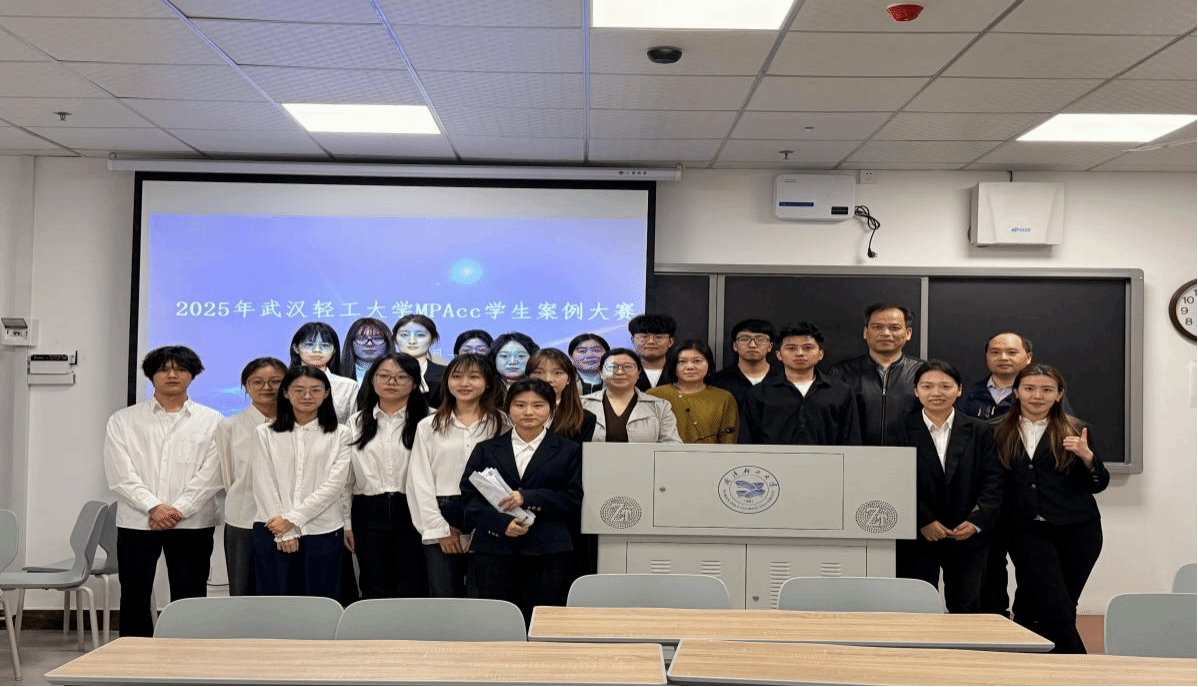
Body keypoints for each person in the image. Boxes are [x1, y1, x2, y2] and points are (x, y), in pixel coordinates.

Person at [103, 345, 223, 637]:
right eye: (164, 369)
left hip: (192, 523)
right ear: (151, 375)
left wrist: (177, 510)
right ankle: (135, 655)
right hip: (138, 521)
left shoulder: (213, 421)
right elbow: (120, 474)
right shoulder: (123, 420)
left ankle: (187, 655)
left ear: (192, 375)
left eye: (180, 369)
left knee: (190, 595)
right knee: (134, 594)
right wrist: (154, 507)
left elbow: (212, 475)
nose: (172, 375)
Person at [995, 364, 1108, 654]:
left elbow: (1098, 484)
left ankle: (1033, 661)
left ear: (1059, 395)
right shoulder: (996, 430)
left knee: (1055, 601)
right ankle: (1079, 665)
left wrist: (1087, 458)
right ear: (1016, 392)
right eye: (1029, 388)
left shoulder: (1076, 429)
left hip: (1079, 530)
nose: (1037, 396)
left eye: (1047, 390)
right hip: (1025, 530)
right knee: (1054, 602)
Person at [460, 377, 583, 625]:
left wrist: (528, 496)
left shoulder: (569, 450)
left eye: (538, 405)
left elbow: (573, 498)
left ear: (551, 408)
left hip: (548, 550)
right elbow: (470, 497)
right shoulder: (487, 449)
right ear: (508, 408)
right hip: (494, 549)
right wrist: (501, 524)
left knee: (544, 620)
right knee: (497, 621)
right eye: (520, 405)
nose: (528, 412)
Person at [888, 360, 1003, 613]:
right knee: (915, 608)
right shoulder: (897, 430)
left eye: (945, 386)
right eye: (927, 386)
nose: (936, 393)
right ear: (916, 391)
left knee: (966, 608)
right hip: (917, 536)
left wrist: (976, 522)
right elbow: (894, 482)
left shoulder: (980, 430)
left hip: (967, 535)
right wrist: (923, 521)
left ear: (959, 390)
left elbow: (993, 480)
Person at [406, 354, 508, 597]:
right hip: (443, 511)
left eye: (474, 377)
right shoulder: (429, 425)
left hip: (489, 512)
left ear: (488, 383)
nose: (464, 383)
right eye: (457, 376)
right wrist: (440, 529)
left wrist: (493, 521)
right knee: (445, 594)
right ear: (447, 382)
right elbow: (419, 481)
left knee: (484, 594)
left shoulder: (502, 423)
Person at [251, 366, 353, 598]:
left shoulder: (341, 434)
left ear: (326, 393)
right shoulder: (264, 432)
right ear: (286, 392)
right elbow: (263, 482)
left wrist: (292, 519)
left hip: (323, 529)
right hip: (272, 528)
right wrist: (284, 531)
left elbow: (334, 485)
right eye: (299, 390)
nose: (307, 396)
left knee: (321, 602)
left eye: (315, 390)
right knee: (276, 602)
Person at [342, 353, 430, 599]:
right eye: (384, 375)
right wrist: (347, 522)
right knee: (374, 585)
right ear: (372, 380)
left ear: (415, 383)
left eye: (401, 377)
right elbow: (346, 479)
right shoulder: (356, 422)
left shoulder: (430, 420)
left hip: (415, 510)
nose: (392, 382)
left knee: (415, 585)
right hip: (368, 512)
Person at [209, 356, 286, 597]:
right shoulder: (229, 426)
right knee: (243, 590)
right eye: (257, 382)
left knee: (284, 590)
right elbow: (229, 475)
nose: (267, 388)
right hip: (244, 518)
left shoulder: (296, 424)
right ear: (246, 386)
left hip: (287, 521)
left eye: (275, 381)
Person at [743, 323, 860, 446]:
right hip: (773, 459)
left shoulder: (841, 392)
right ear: (779, 355)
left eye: (808, 348)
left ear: (820, 354)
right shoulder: (759, 393)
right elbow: (747, 442)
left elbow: (851, 440)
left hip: (828, 459)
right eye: (791, 348)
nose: (800, 353)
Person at [828, 303, 924, 445]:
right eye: (877, 327)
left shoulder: (923, 373)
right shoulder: (842, 373)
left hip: (910, 455)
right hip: (854, 455)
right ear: (865, 332)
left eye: (894, 328)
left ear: (908, 333)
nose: (885, 333)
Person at [581, 348, 682, 443]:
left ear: (638, 373)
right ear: (601, 373)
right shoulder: (582, 404)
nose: (620, 372)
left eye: (628, 367)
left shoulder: (660, 406)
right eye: (612, 367)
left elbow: (671, 445)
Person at [647, 340, 739, 444]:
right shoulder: (654, 396)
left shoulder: (724, 398)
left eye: (697, 361)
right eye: (682, 362)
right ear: (673, 365)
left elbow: (729, 442)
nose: (690, 367)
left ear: (709, 364)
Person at [289, 321, 358, 423]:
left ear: (334, 350)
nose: (317, 350)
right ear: (296, 348)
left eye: (325, 345)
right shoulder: (283, 383)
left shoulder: (348, 386)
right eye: (309, 344)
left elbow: (352, 426)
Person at [527, 348, 597, 443]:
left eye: (557, 373)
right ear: (527, 377)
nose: (548, 379)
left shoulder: (584, 419)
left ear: (569, 379)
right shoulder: (513, 412)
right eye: (539, 372)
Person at [708, 318, 778, 412]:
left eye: (760, 339)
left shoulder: (784, 378)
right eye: (744, 339)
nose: (752, 345)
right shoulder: (718, 381)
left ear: (770, 346)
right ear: (735, 346)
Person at [393, 314, 445, 408]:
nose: (412, 341)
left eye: (420, 335)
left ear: (433, 339)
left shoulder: (446, 374)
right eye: (404, 335)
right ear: (395, 339)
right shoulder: (378, 372)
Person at [628, 314, 676, 391]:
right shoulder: (623, 372)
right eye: (644, 337)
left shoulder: (679, 372)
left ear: (671, 341)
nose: (651, 342)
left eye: (658, 337)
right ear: (633, 341)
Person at [341, 317, 394, 383]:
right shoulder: (337, 373)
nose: (369, 344)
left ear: (387, 342)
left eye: (377, 338)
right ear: (351, 342)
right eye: (361, 338)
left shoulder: (400, 373)